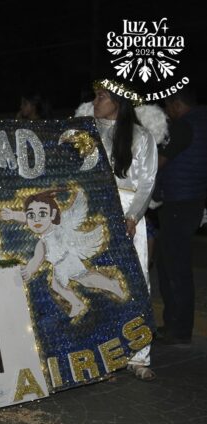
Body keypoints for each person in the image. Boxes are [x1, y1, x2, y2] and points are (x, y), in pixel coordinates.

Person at [90, 79, 158, 381]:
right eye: (95, 96)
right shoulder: (87, 133)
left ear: (118, 101)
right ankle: (103, 356)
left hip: (128, 211)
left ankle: (137, 355)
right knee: (98, 280)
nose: (96, 101)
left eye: (102, 96)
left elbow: (146, 182)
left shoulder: (141, 136)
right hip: (97, 212)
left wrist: (132, 217)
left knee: (135, 279)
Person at [0, 188, 125, 318]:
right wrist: (29, 270)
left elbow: (37, 258)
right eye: (31, 216)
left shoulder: (57, 229)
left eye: (42, 214)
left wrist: (29, 269)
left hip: (68, 261)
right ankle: (77, 303)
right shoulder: (42, 243)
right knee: (57, 285)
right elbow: (36, 260)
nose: (36, 220)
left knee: (86, 280)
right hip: (59, 265)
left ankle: (112, 285)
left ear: (53, 214)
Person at [156, 88, 207, 345]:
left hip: (177, 203)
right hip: (193, 200)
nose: (167, 112)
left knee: (173, 269)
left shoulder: (182, 127)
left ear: (176, 105)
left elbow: (158, 162)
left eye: (167, 106)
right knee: (174, 265)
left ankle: (177, 328)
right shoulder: (201, 123)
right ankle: (177, 326)